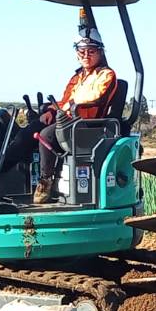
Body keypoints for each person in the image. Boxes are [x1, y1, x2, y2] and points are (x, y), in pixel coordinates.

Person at [26, 24, 119, 204]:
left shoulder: (106, 75)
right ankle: (8, 171)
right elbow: (65, 99)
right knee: (32, 129)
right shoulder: (77, 77)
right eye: (81, 51)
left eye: (91, 51)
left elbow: (93, 98)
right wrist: (51, 110)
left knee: (46, 135)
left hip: (87, 126)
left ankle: (45, 182)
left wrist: (67, 107)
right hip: (70, 121)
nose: (85, 55)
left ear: (100, 52)